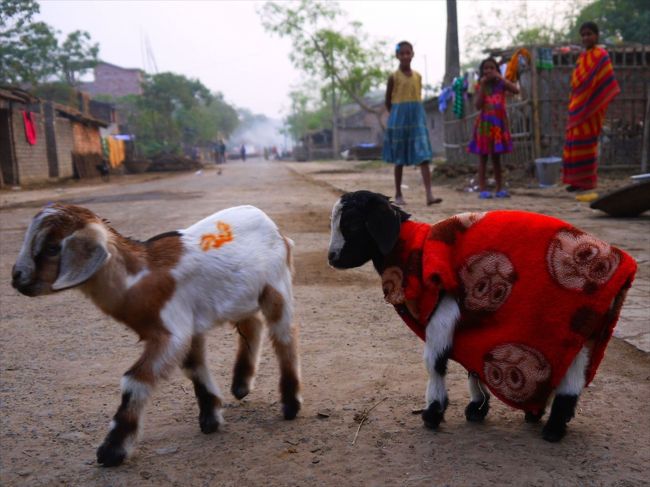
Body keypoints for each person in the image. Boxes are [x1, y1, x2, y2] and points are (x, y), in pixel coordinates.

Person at [562, 21, 620, 193]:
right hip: (577, 106)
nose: (586, 37)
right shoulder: (581, 57)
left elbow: (605, 81)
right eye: (584, 35)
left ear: (597, 35)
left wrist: (590, 100)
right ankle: (575, 182)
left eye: (590, 34)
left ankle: (588, 182)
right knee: (573, 143)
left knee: (587, 143)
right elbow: (577, 83)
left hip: (592, 109)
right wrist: (575, 101)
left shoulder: (601, 55)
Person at [383, 41, 441, 206]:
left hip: (417, 119)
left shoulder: (418, 76)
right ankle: (399, 194)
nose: (405, 56)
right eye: (402, 53)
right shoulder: (393, 77)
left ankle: (429, 195)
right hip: (399, 119)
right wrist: (396, 115)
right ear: (397, 56)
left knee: (423, 155)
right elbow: (388, 101)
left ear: (413, 54)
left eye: (408, 53)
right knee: (399, 158)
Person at [468, 57, 519, 199]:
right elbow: (478, 105)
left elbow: (515, 90)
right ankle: (483, 189)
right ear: (482, 72)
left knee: (497, 158)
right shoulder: (481, 86)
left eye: (492, 68)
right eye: (486, 68)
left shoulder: (501, 85)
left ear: (497, 70)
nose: (489, 71)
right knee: (483, 157)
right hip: (485, 125)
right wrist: (483, 86)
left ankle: (499, 188)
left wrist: (501, 79)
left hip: (498, 125)